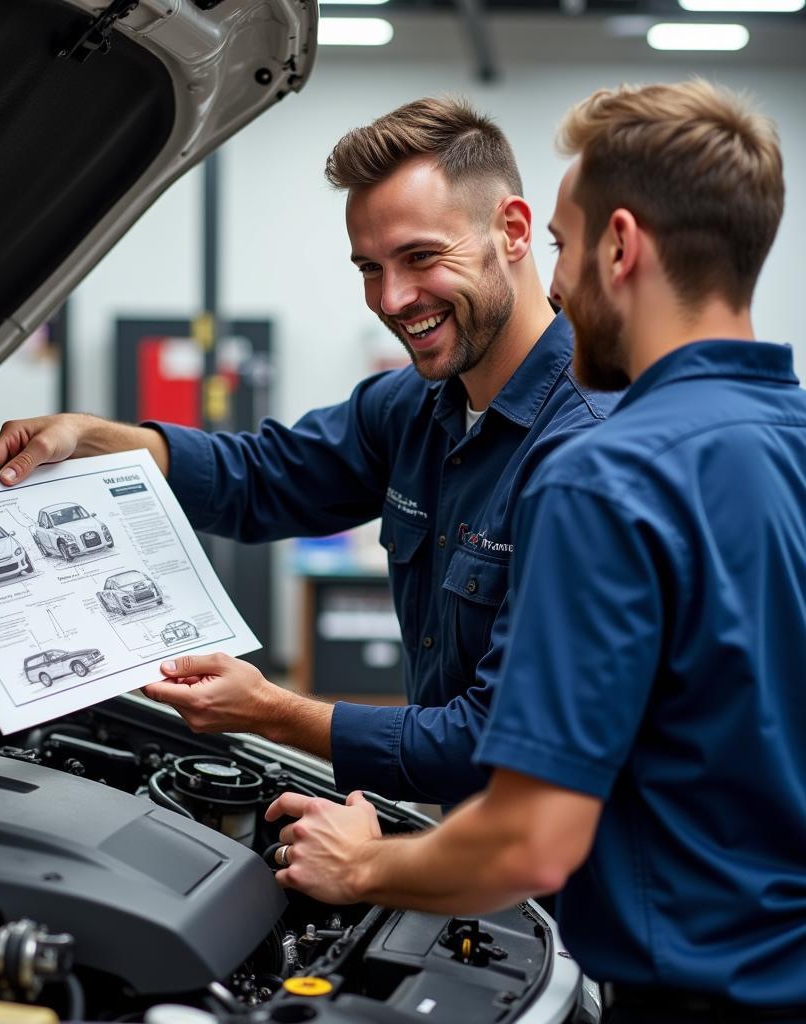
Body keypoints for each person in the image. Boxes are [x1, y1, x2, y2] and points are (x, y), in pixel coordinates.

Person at [258, 80, 806, 1020]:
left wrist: (363, 866)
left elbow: (530, 842)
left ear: (621, 247)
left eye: (560, 244)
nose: (550, 283)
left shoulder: (604, 474)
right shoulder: (788, 435)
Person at [0, 99, 617, 807]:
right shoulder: (408, 407)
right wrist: (92, 437)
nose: (394, 298)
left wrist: (272, 712)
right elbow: (259, 477)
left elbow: (489, 744)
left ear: (514, 231)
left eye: (421, 257)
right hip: (479, 844)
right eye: (370, 267)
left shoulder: (587, 450)